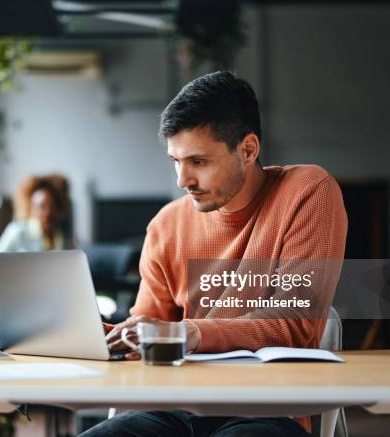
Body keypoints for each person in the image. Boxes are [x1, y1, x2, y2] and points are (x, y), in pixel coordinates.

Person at [81, 71, 347, 437]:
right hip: (169, 411)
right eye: (175, 161)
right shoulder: (167, 224)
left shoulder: (307, 192)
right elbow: (147, 334)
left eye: (198, 162)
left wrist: (186, 333)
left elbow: (294, 325)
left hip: (264, 412)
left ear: (248, 150)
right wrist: (102, 336)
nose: (182, 180)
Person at [0, 174, 72, 252]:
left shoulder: (61, 234)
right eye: (42, 206)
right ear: (31, 208)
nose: (48, 212)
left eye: (52, 206)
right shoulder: (17, 231)